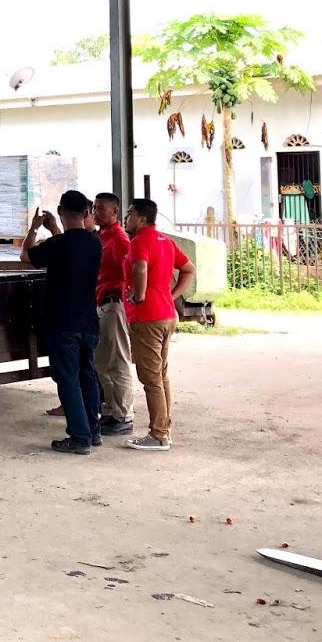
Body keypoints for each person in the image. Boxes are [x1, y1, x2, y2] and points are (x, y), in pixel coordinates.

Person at [21, 190, 105, 455]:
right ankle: (93, 431)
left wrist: (34, 230)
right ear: (87, 213)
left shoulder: (57, 246)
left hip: (62, 322)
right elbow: (69, 247)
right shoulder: (95, 243)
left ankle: (79, 437)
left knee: (68, 379)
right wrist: (56, 229)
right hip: (88, 322)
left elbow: (27, 256)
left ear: (61, 211)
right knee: (87, 375)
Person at [123, 198, 195, 451]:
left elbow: (140, 267)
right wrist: (171, 295)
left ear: (141, 218)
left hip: (148, 317)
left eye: (130, 213)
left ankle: (159, 435)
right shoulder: (166, 241)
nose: (126, 217)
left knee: (150, 377)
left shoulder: (140, 241)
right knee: (161, 375)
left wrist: (140, 295)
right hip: (166, 314)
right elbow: (189, 269)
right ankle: (164, 428)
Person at [92, 192, 136, 438]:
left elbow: (131, 270)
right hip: (102, 303)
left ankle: (124, 415)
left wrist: (129, 300)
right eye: (95, 207)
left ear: (114, 212)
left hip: (114, 303)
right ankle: (111, 410)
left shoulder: (119, 240)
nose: (96, 212)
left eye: (101, 208)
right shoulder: (101, 237)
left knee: (117, 361)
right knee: (103, 362)